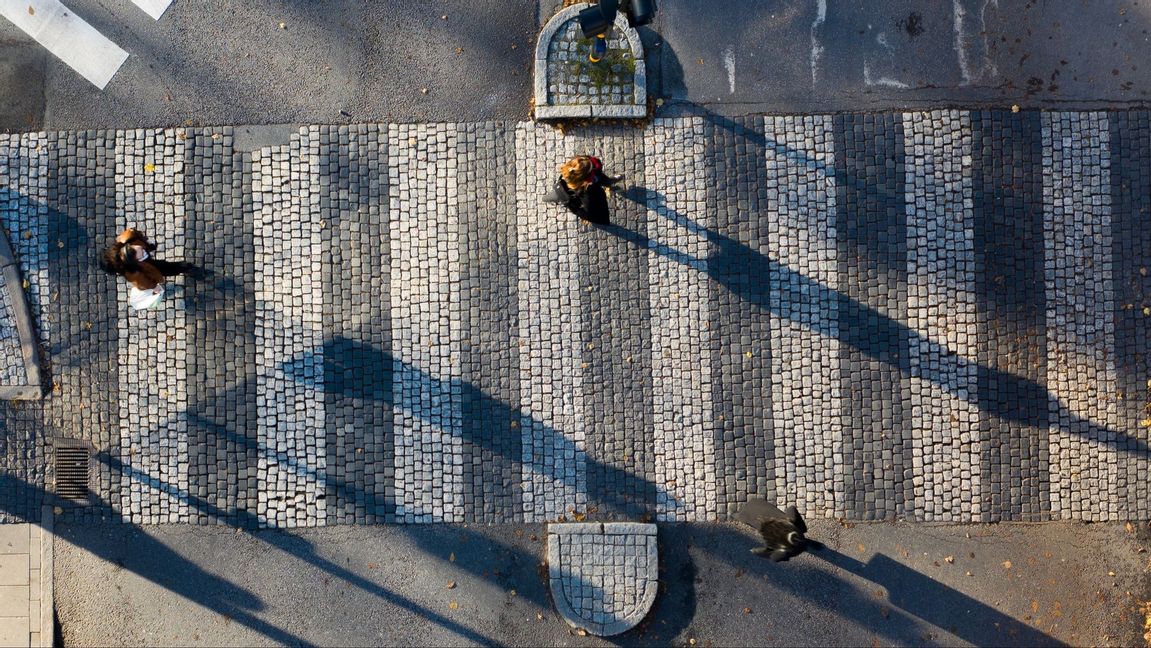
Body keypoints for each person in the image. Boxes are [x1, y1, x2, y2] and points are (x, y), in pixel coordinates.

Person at [99, 228, 192, 291]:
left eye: (139, 248)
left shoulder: (127, 238)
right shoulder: (133, 274)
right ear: (135, 262)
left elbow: (135, 233)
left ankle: (182, 267)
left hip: (144, 263)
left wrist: (146, 243)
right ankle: (183, 268)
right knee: (166, 268)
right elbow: (145, 283)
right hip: (149, 267)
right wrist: (155, 287)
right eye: (142, 254)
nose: (143, 251)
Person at [543, 155, 624, 225]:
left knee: (602, 179)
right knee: (599, 179)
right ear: (586, 180)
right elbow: (588, 214)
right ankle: (608, 182)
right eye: (592, 170)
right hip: (592, 186)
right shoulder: (587, 195)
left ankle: (609, 182)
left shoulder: (577, 166)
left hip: (589, 181)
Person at [737, 498, 812, 562]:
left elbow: (791, 509)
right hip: (753, 513)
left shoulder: (790, 522)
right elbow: (773, 557)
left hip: (756, 507)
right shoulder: (783, 548)